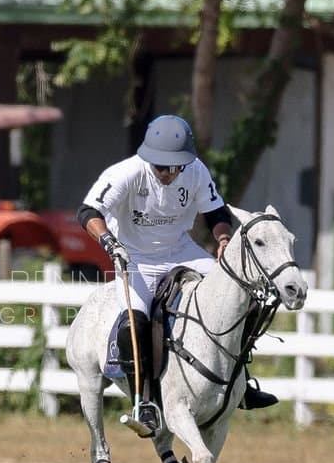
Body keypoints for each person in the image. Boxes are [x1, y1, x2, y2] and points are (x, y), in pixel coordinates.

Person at [76, 114, 278, 433]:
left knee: (242, 298)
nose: (168, 173)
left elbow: (216, 212)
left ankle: (241, 382)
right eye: (161, 167)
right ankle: (144, 403)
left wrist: (224, 238)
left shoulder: (195, 171)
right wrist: (109, 242)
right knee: (135, 324)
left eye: (174, 167)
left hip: (181, 250)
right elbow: (88, 212)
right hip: (136, 256)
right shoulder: (126, 173)